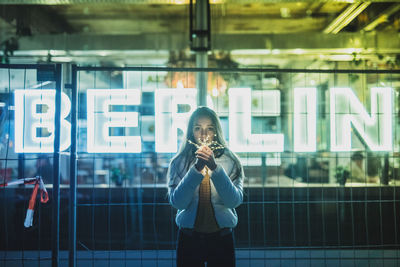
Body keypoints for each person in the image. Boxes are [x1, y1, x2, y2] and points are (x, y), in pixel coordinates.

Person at [167, 106, 244, 267]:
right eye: (197, 128)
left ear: (217, 131)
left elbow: (233, 201)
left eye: (209, 128)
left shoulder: (231, 161)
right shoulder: (179, 162)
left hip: (222, 238)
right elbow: (178, 203)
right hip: (189, 238)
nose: (203, 135)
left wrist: (215, 168)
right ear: (190, 132)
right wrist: (196, 169)